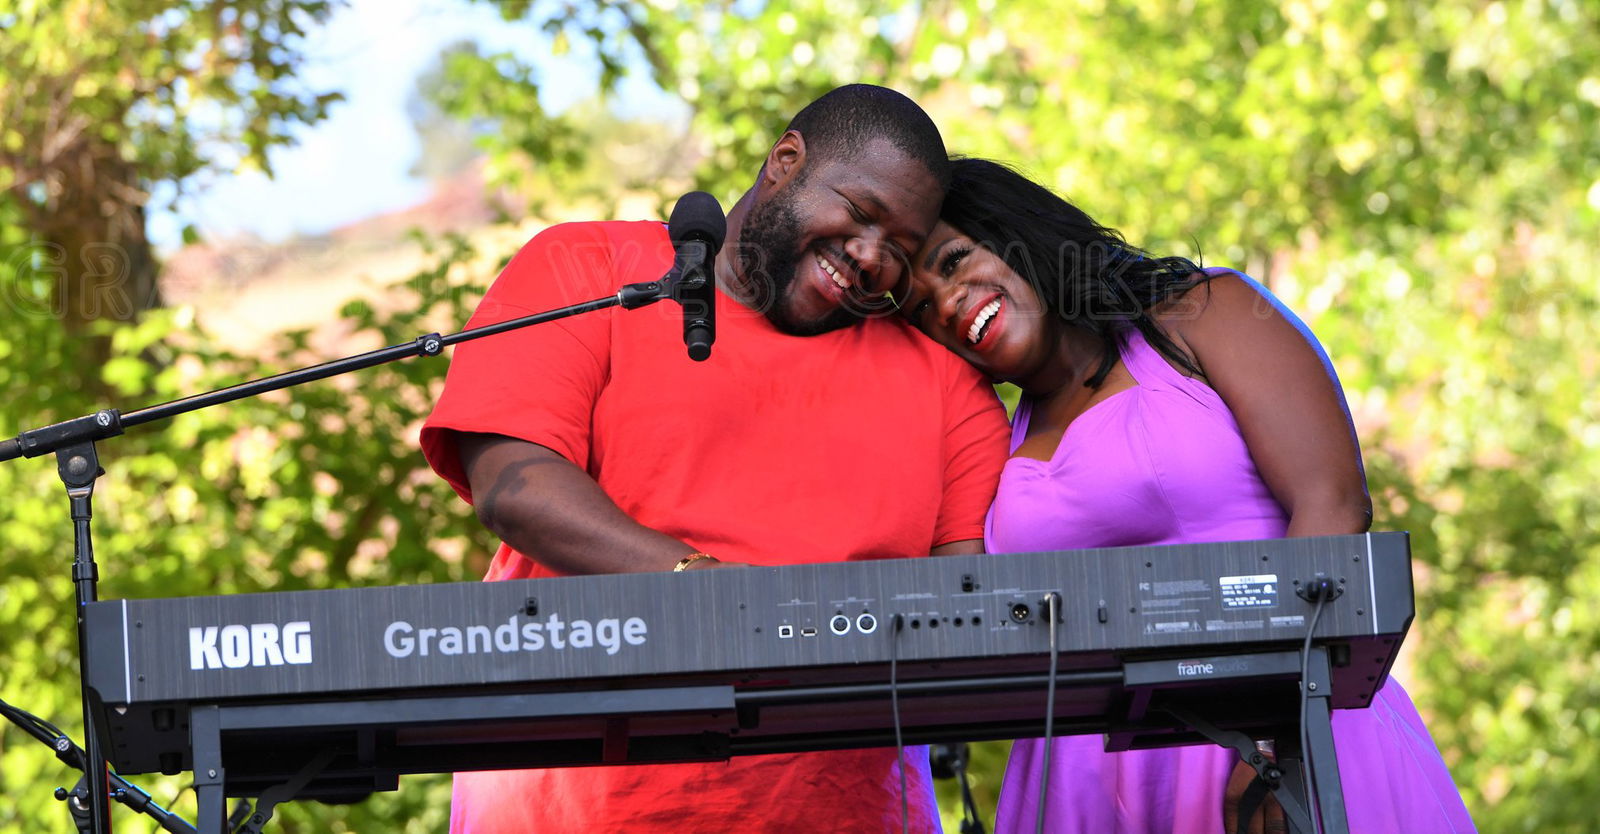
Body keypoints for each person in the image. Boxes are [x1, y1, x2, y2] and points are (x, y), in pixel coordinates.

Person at [419, 85, 1010, 834]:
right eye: (860, 213)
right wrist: (709, 591)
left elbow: (967, 613)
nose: (869, 256)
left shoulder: (947, 385)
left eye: (899, 246)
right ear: (785, 160)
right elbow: (514, 484)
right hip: (573, 808)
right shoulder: (588, 270)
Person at [894, 158, 1476, 834]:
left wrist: (1273, 737)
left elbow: (1334, 503)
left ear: (1015, 231)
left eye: (954, 261)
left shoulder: (1203, 313)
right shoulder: (992, 437)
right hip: (1082, 792)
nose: (947, 303)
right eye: (921, 308)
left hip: (1279, 735)